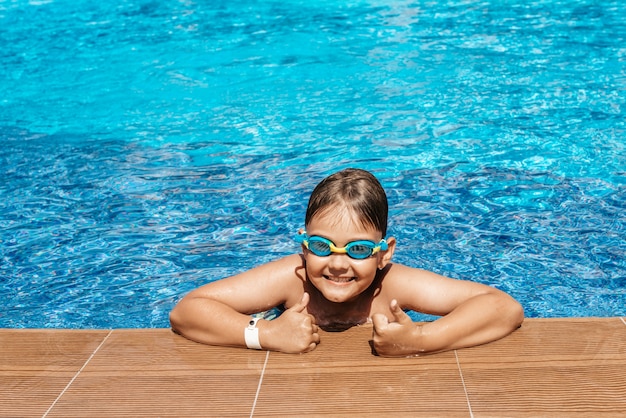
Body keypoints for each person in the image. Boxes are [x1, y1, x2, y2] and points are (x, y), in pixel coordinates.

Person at [170, 168, 524, 357]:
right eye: (323, 246)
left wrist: (421, 339)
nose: (338, 264)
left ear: (384, 253)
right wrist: (264, 334)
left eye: (357, 250)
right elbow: (187, 311)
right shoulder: (291, 278)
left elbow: (503, 307)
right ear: (304, 247)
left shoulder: (395, 285)